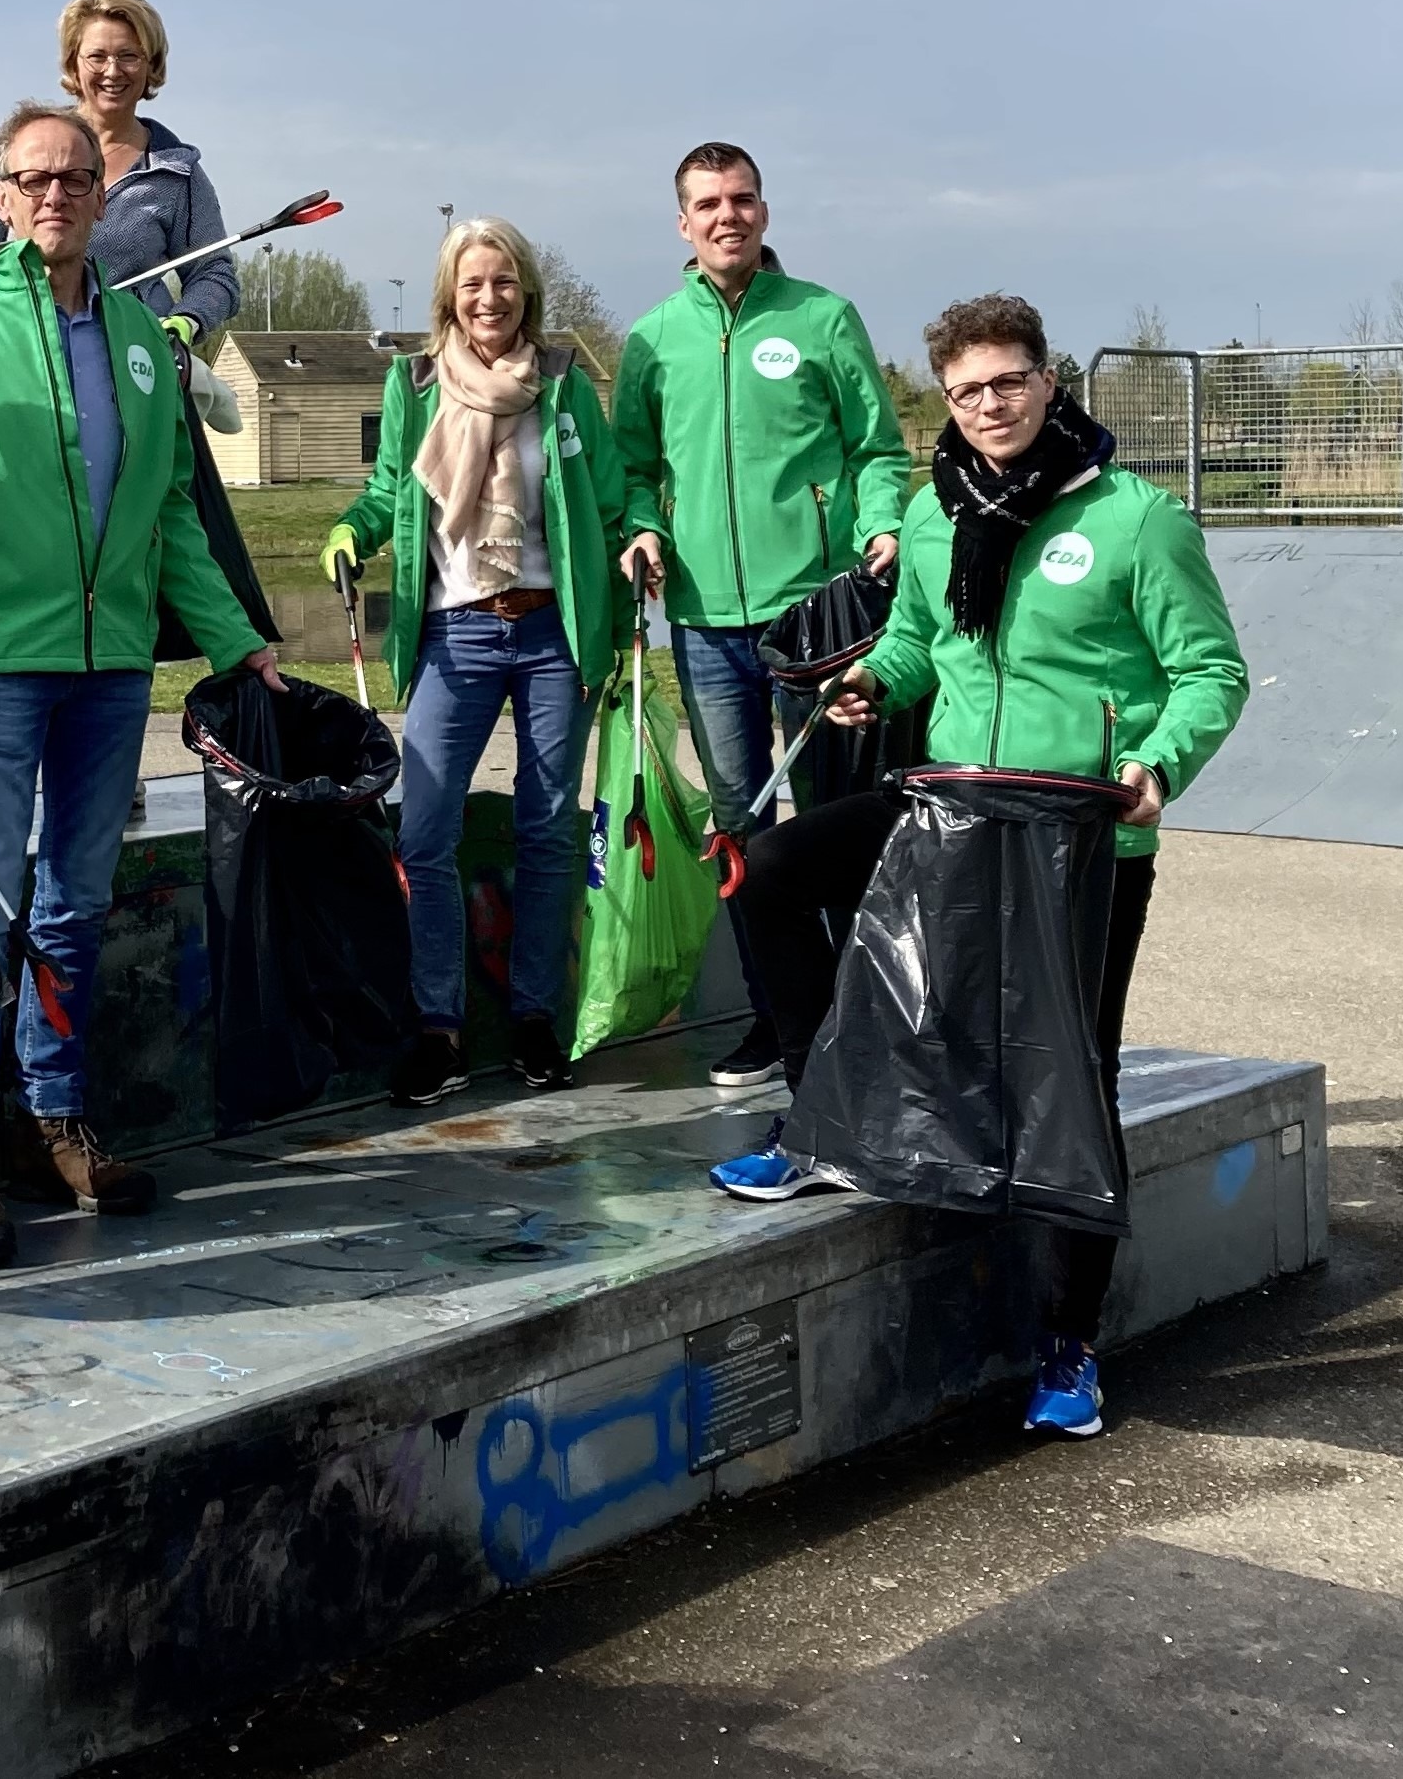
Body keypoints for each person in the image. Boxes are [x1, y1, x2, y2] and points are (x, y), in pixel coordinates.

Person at [708, 294, 1249, 1437]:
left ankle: (1068, 1342)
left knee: (1072, 1074)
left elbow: (1212, 672)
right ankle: (821, 1117)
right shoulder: (935, 509)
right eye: (967, 390)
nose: (990, 405)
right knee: (769, 869)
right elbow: (918, 642)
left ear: (1048, 381)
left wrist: (1158, 765)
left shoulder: (1137, 519)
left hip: (1085, 829)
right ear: (944, 401)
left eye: (1008, 382)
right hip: (953, 807)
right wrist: (874, 685)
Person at [0, 101, 282, 1268]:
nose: (54, 195)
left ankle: (53, 1115)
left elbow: (172, 519)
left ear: (105, 194)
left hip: (109, 673)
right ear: (0, 194)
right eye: (32, 178)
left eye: (76, 178)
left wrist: (239, 638)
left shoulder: (147, 340)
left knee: (75, 908)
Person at [321, 218, 648, 1108]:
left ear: (526, 290)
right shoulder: (414, 381)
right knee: (425, 832)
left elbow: (611, 498)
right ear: (448, 296)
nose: (489, 298)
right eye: (472, 284)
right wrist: (354, 528)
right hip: (455, 633)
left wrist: (633, 551)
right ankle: (441, 1029)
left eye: (503, 281)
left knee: (547, 834)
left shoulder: (565, 382)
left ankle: (535, 1019)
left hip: (552, 636)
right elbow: (395, 486)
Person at [613, 143, 909, 1091]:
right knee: (738, 824)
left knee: (828, 824)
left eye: (741, 200)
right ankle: (778, 1018)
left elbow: (876, 449)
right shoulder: (654, 338)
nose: (726, 216)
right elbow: (632, 470)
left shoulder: (822, 318)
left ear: (765, 212)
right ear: (682, 223)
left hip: (815, 623)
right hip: (701, 624)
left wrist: (882, 525)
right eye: (707, 204)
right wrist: (646, 529)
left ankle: (859, 1019)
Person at [0, 0, 238, 346]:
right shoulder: (22, 147)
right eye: (97, 56)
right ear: (74, 63)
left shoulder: (178, 173)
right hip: (17, 348)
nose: (112, 71)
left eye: (129, 56)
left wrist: (183, 323)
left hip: (129, 358)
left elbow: (214, 274)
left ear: (152, 64)